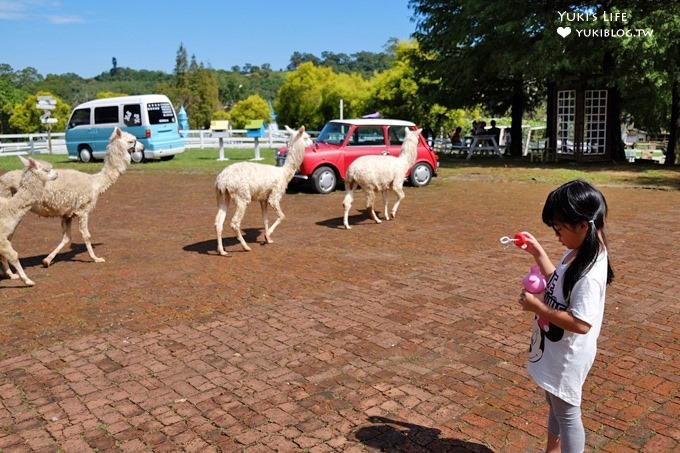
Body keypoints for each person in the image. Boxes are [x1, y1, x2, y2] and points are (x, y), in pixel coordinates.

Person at [517, 179, 614, 453]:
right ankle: (552, 450)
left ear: (583, 225)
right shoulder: (578, 251)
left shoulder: (589, 272)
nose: (558, 235)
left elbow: (582, 323)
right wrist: (538, 254)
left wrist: (539, 308)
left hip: (568, 357)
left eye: (560, 229)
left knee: (568, 415)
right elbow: (557, 282)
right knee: (556, 405)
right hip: (557, 349)